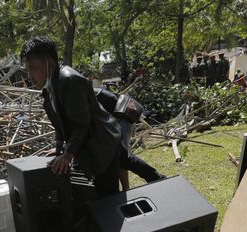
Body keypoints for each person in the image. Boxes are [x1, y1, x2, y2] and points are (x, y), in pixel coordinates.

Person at [20, 36, 121, 197]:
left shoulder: (68, 80)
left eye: (33, 68)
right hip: (90, 144)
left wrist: (68, 154)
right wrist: (59, 149)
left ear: (49, 63)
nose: (30, 76)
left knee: (109, 200)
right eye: (28, 70)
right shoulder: (49, 87)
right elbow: (60, 124)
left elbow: (81, 123)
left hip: (102, 143)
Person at [94, 86, 166, 190]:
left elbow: (115, 107)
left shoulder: (90, 94)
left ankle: (129, 188)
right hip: (118, 118)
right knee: (121, 157)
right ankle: (132, 186)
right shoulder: (90, 91)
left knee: (123, 156)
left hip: (123, 119)